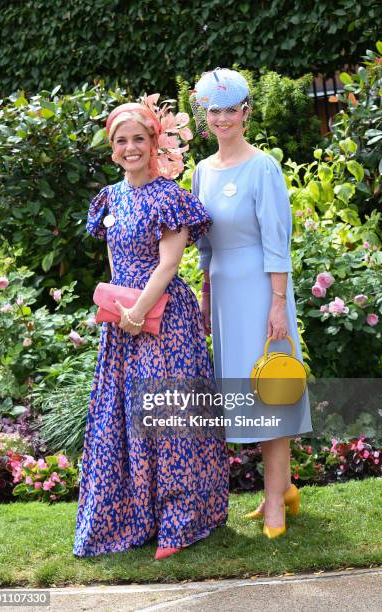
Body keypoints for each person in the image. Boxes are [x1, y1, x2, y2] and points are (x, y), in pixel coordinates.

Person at [73, 95, 228, 560]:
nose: (130, 148)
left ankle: (182, 519)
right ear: (112, 148)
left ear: (154, 142)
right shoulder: (110, 198)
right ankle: (133, 515)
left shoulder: (171, 198)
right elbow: (114, 259)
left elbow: (169, 264)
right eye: (121, 141)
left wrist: (138, 312)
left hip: (164, 320)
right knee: (124, 417)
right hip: (123, 323)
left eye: (138, 138)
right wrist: (121, 310)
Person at [191, 69, 312, 538]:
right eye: (214, 111)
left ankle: (275, 502)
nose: (223, 119)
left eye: (231, 109)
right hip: (223, 293)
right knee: (246, 394)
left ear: (246, 112)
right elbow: (203, 243)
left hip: (263, 290)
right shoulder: (201, 170)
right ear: (207, 117)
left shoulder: (263, 166)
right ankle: (281, 490)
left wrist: (278, 303)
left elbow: (277, 241)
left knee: (272, 391)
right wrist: (204, 294)